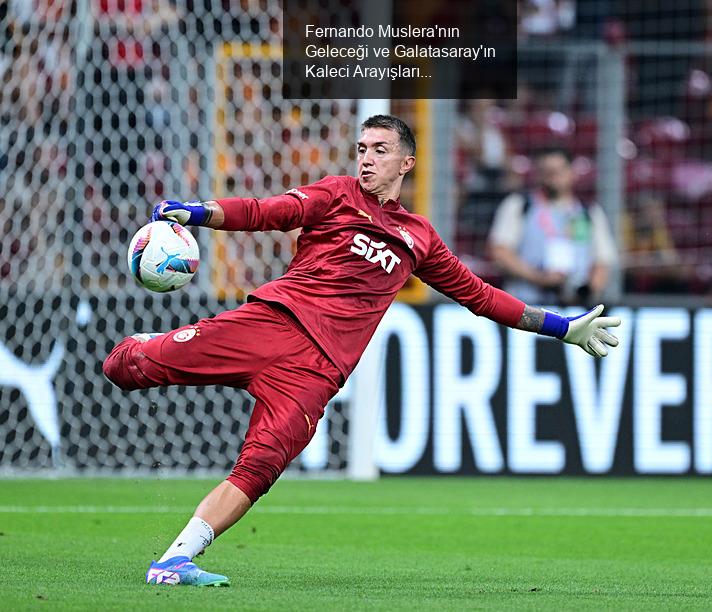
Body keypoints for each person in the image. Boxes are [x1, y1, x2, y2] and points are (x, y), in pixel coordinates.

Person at [102, 115, 621, 587]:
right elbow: (266, 211)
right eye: (362, 149)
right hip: (273, 323)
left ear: (406, 162)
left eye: (378, 150)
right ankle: (150, 345)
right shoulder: (336, 194)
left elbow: (481, 297)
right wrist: (198, 212)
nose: (367, 159)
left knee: (259, 469)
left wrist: (563, 327)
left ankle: (173, 561)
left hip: (317, 372)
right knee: (125, 368)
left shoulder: (419, 238)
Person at [488, 147, 616, 306]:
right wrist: (538, 278)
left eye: (559, 170)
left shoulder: (589, 212)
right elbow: (500, 251)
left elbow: (603, 261)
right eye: (548, 171)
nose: (554, 176)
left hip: (576, 308)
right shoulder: (519, 205)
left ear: (571, 173)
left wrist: (587, 292)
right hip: (526, 306)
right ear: (539, 174)